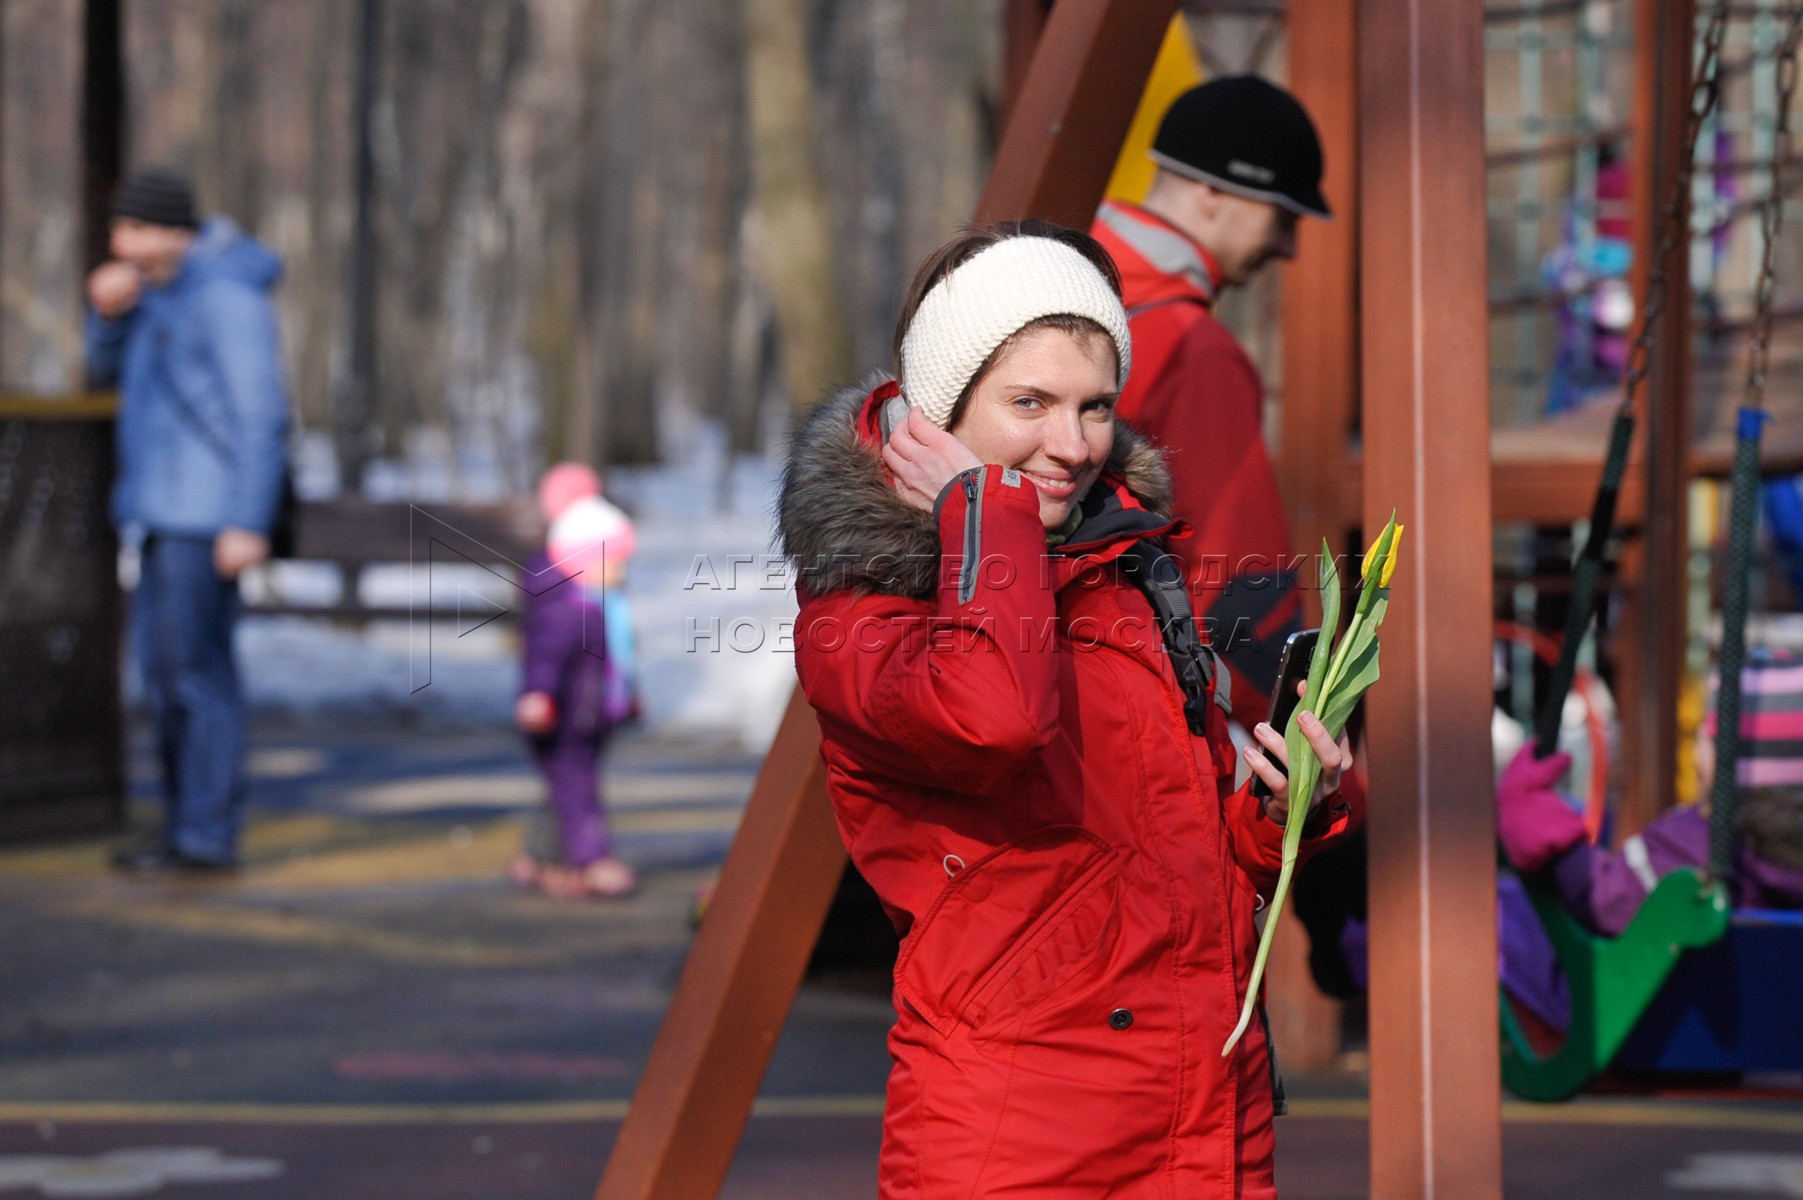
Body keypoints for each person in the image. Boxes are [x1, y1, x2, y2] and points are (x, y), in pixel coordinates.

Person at [778, 222, 1361, 1198]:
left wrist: (1279, 804)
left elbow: (1168, 846)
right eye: (1029, 402)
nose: (1073, 444)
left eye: (1095, 407)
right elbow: (994, 715)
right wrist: (986, 505)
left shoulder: (1122, 563)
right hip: (1023, 1140)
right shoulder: (862, 605)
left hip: (1205, 1118)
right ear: (938, 409)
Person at [1091, 75, 1332, 714]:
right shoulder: (1194, 349)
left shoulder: (1050, 289)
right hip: (1141, 715)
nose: (1289, 245)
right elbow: (1243, 595)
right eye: (1281, 214)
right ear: (1210, 191)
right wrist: (1321, 780)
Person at [86, 168, 290, 873]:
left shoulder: (227, 296)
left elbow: (260, 415)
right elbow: (101, 371)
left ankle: (205, 835)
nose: (119, 243)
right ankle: (182, 825)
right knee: (164, 678)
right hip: (161, 510)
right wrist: (109, 316)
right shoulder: (156, 294)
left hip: (207, 519)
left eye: (133, 228)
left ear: (175, 231)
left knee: (199, 677)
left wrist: (246, 520)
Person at [513, 463, 639, 899]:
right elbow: (544, 660)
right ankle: (593, 861)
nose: (622, 573)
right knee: (579, 792)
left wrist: (629, 695)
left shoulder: (602, 605)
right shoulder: (569, 613)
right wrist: (539, 696)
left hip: (588, 716)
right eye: (615, 562)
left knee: (563, 791)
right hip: (562, 719)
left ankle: (540, 860)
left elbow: (616, 662)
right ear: (584, 563)